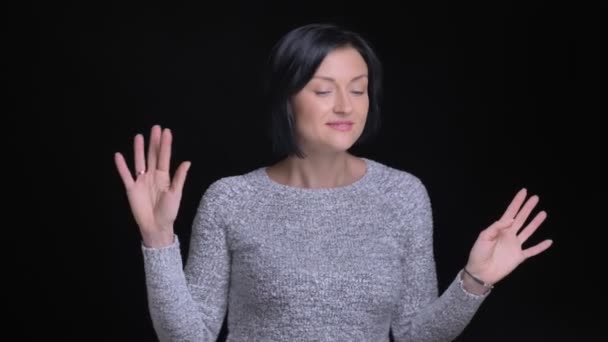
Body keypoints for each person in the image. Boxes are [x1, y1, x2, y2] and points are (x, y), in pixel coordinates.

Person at [114, 23, 553, 341]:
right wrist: (157, 240)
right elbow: (189, 336)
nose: (345, 105)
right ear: (286, 100)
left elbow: (416, 334)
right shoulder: (231, 199)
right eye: (323, 90)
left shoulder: (402, 195)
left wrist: (474, 279)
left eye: (358, 89)